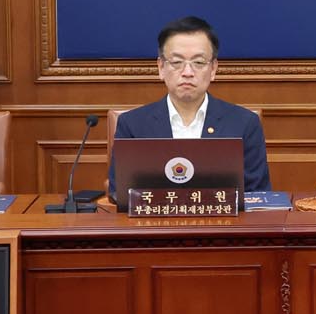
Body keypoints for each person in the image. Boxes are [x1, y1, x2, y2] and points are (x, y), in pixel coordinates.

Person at [110, 16, 270, 193]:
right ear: (161, 67)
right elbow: (120, 194)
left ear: (213, 69)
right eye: (177, 62)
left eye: (198, 62)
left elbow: (258, 196)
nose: (187, 72)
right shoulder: (132, 125)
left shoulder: (244, 124)